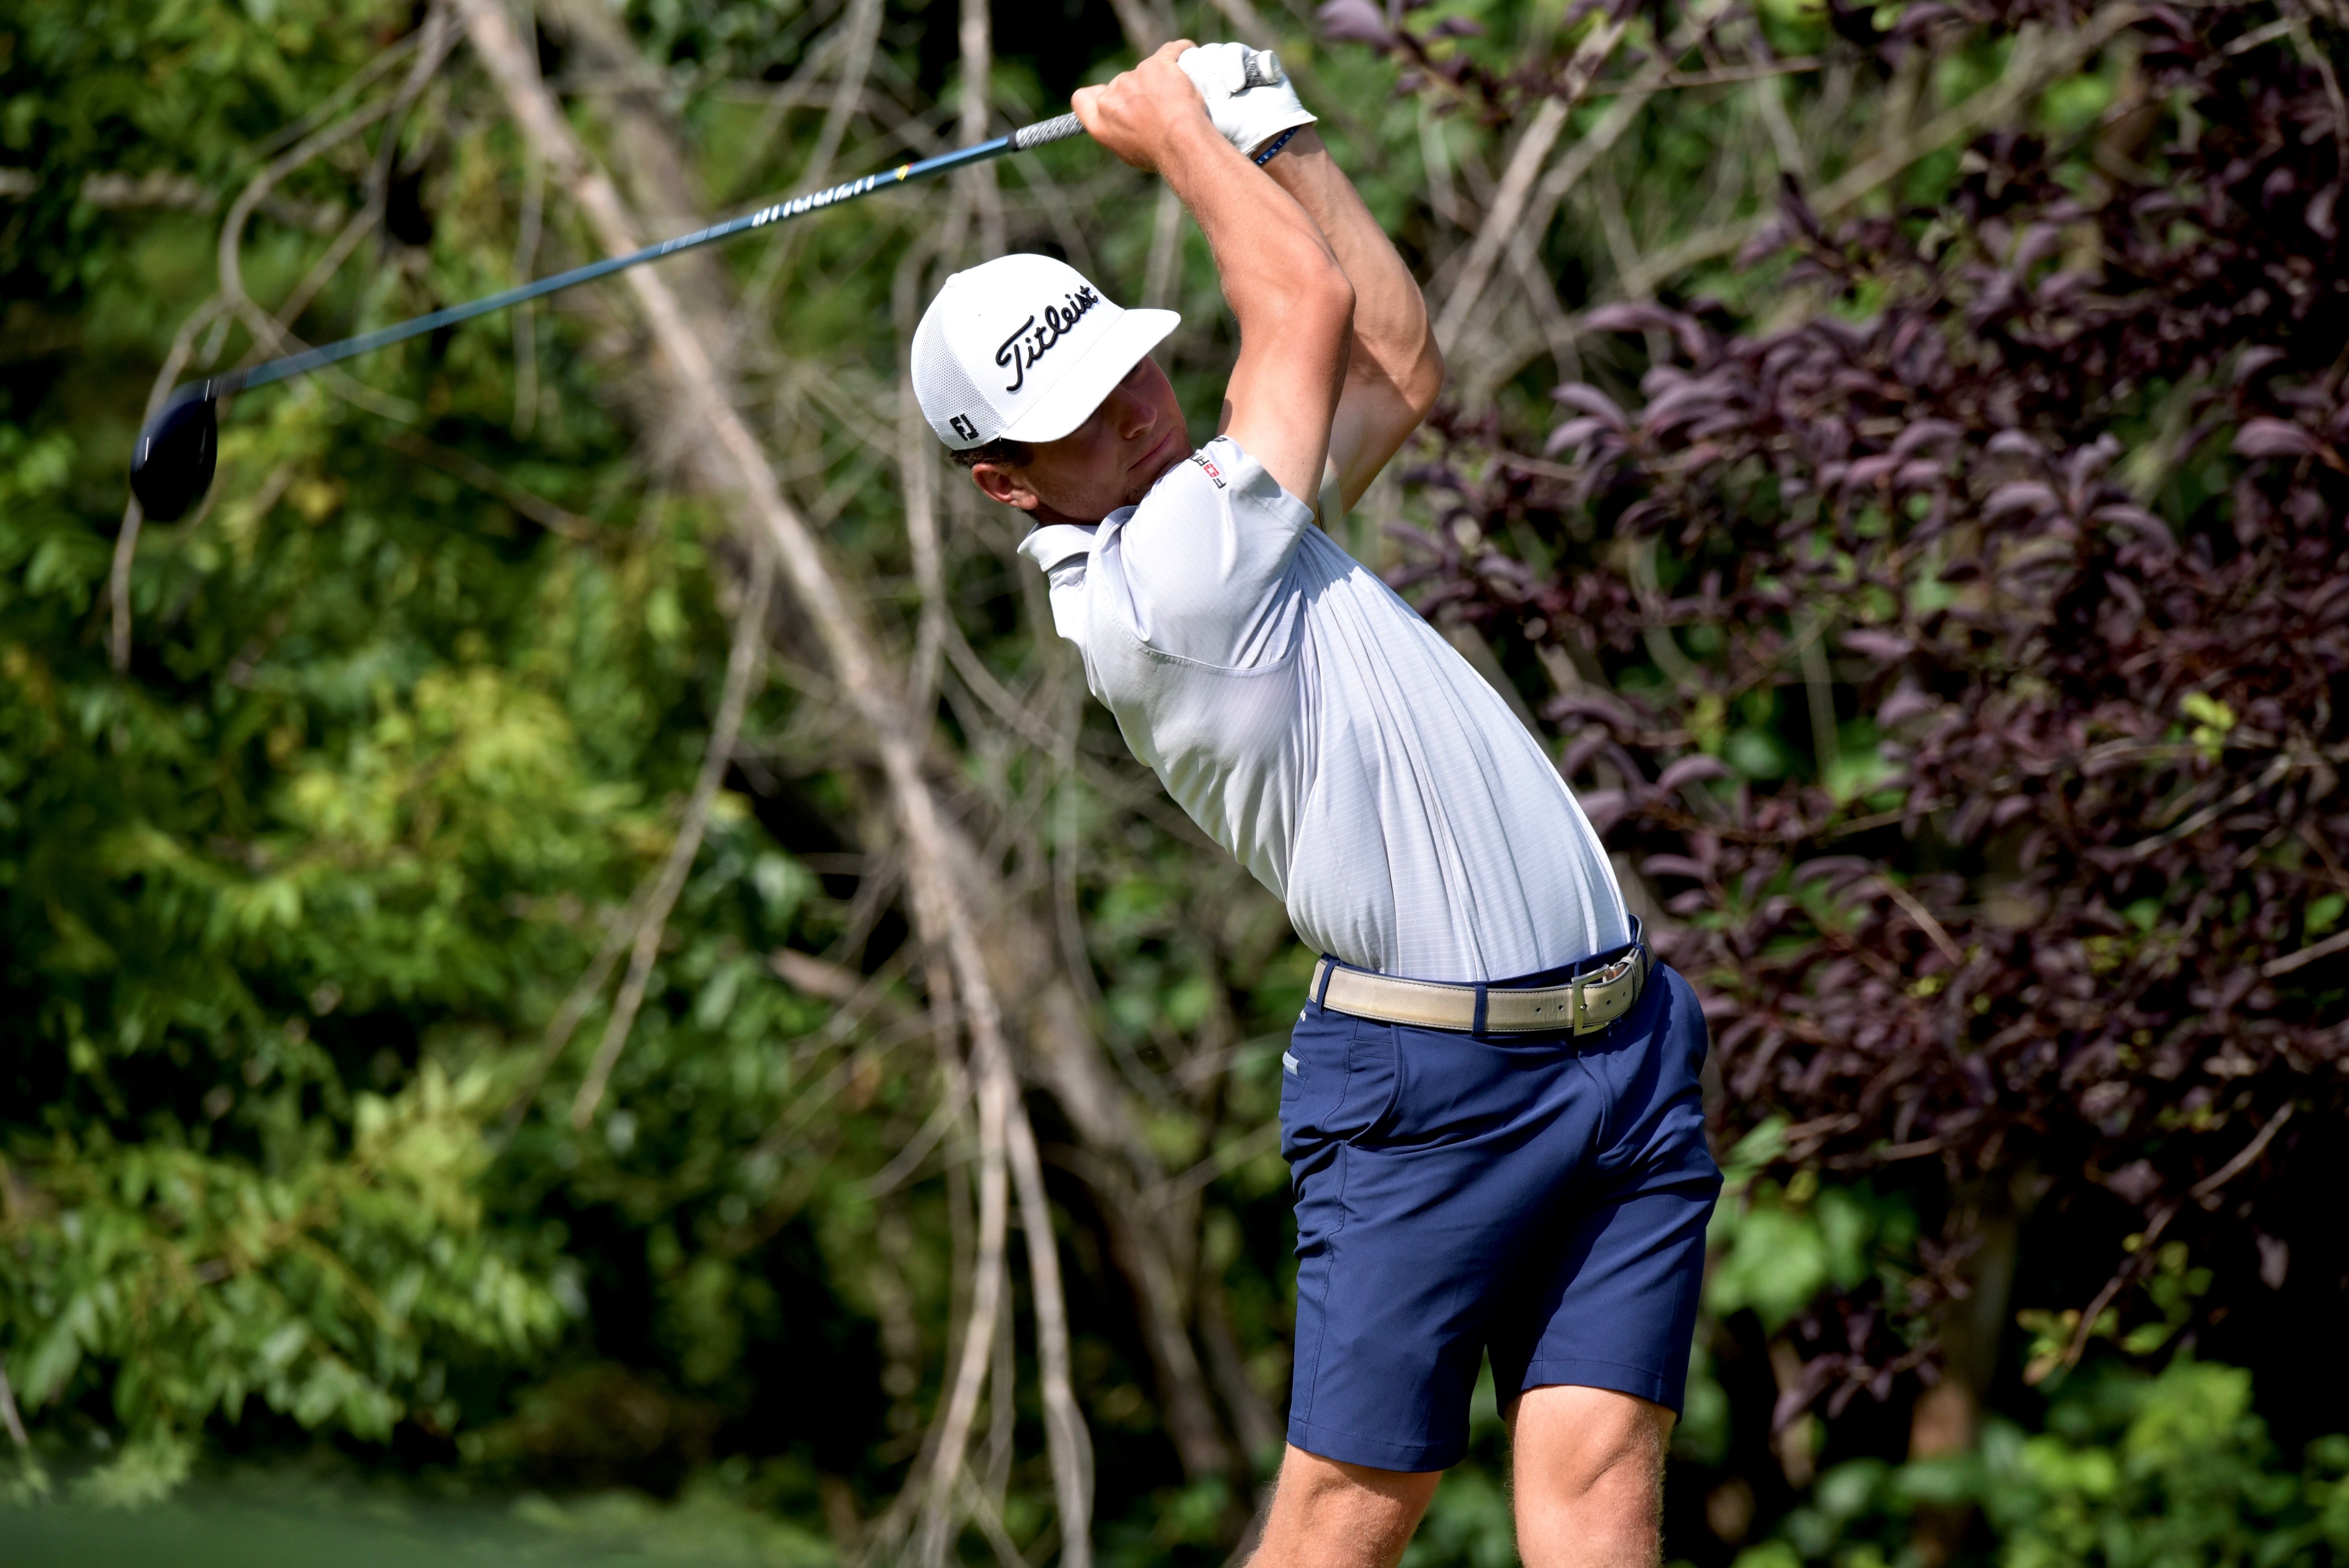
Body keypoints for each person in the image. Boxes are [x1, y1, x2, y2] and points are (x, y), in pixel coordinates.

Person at [909, 41, 1722, 1568]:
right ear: (1006, 484)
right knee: (1348, 1517)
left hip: (1620, 1043)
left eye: (1131, 370)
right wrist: (1180, 133)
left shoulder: (1241, 516)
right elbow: (1302, 307)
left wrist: (1272, 125)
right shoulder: (1173, 581)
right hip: (1431, 1087)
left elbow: (1392, 359)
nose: (1136, 412)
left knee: (1603, 1479)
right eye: (1080, 414)